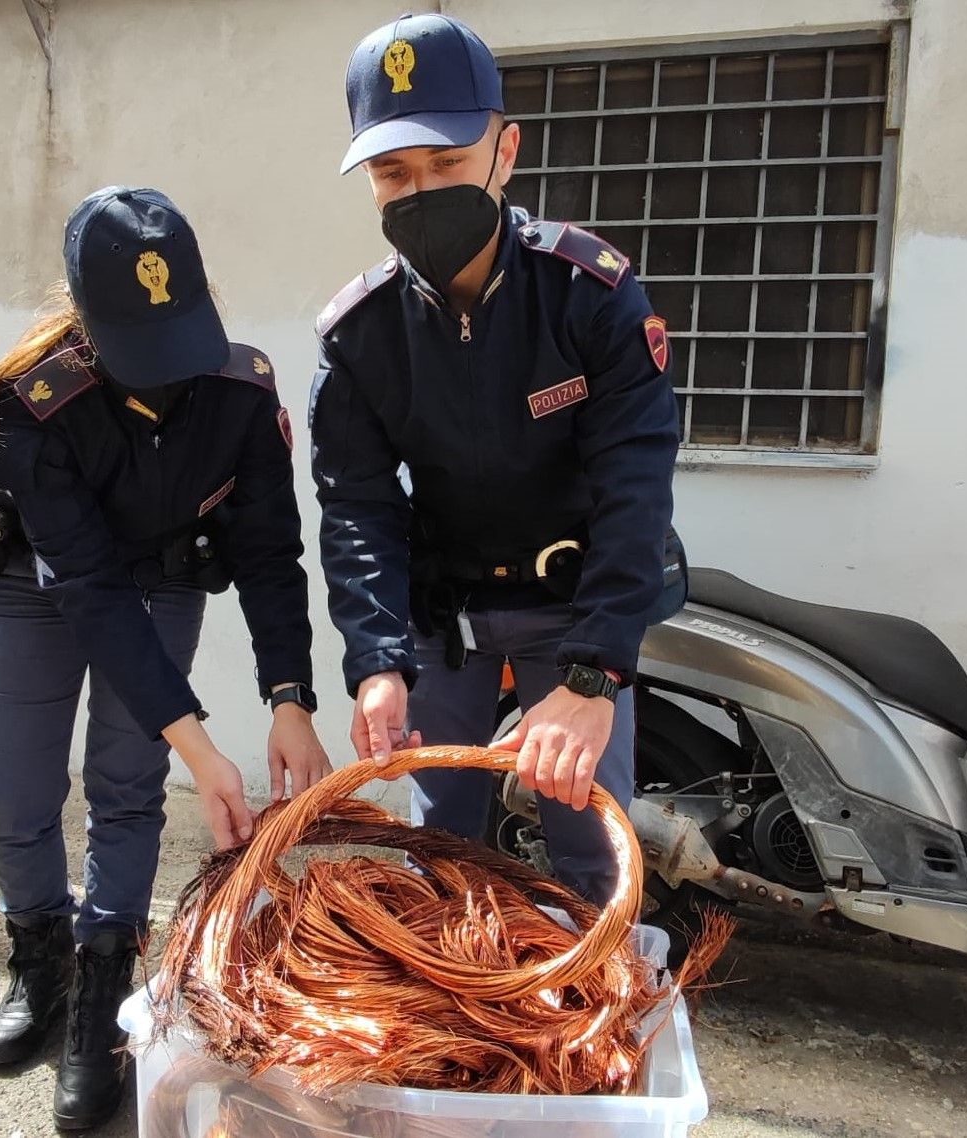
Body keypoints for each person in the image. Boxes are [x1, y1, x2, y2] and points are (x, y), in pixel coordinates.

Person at [0, 185, 330, 1130]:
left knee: (127, 783)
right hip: (34, 582)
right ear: (84, 319)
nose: (166, 372)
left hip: (161, 580)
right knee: (15, 787)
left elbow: (270, 552)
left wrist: (289, 696)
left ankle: (103, 998)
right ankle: (41, 961)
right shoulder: (27, 402)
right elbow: (87, 586)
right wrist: (203, 749)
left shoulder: (240, 391)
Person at [310, 14, 680, 904]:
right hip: (449, 616)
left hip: (576, 603)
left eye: (445, 164)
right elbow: (357, 504)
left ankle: (596, 1013)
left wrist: (595, 674)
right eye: (394, 174)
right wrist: (377, 659)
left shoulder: (587, 296)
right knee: (442, 846)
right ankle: (458, 1010)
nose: (421, 190)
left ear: (503, 152)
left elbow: (635, 488)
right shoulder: (359, 335)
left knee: (590, 839)